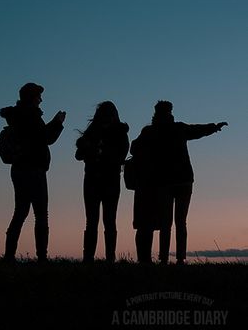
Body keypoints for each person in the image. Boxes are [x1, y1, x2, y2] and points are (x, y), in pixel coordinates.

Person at [130, 100, 227, 264]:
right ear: (170, 113)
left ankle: (164, 259)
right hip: (183, 180)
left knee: (166, 223)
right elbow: (197, 130)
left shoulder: (150, 131)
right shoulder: (178, 128)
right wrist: (214, 127)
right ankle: (180, 259)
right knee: (180, 222)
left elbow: (134, 149)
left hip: (165, 182)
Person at [0, 82, 66, 262]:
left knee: (20, 212)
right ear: (32, 97)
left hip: (19, 169)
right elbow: (45, 138)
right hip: (34, 169)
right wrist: (58, 122)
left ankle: (9, 256)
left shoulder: (15, 116)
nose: (41, 99)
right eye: (39, 96)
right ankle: (42, 258)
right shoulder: (31, 116)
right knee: (41, 214)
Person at [75, 101, 129, 263]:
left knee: (102, 220)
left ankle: (99, 258)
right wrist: (90, 149)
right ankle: (97, 258)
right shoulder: (100, 133)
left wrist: (96, 152)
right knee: (101, 220)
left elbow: (120, 156)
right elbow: (79, 155)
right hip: (100, 179)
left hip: (103, 179)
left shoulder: (111, 133)